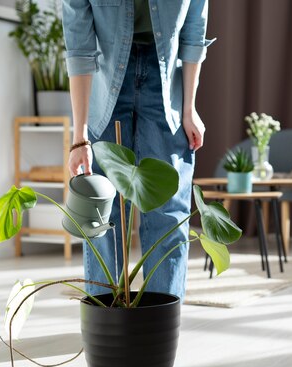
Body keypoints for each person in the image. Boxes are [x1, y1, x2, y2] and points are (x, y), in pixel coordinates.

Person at [62, 0, 214, 299]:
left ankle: (162, 323)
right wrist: (80, 135)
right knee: (102, 213)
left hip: (166, 82)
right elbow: (79, 46)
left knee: (168, 212)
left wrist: (189, 108)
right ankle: (106, 322)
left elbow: (193, 34)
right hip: (104, 86)